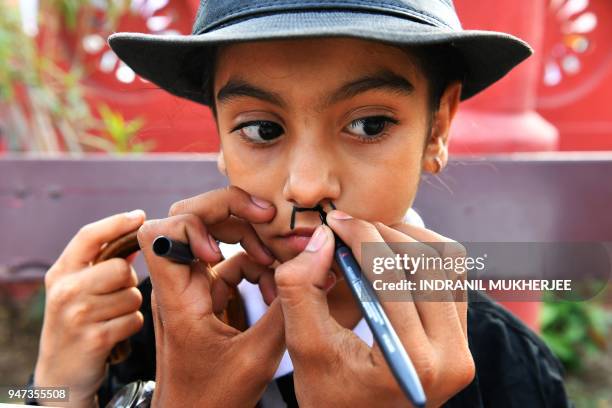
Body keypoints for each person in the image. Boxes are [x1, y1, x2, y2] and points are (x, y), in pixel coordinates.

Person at [29, 0, 572, 407]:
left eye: (369, 124)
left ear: (438, 126)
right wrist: (53, 386)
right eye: (262, 128)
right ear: (220, 137)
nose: (308, 188)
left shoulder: (507, 367)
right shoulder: (149, 324)